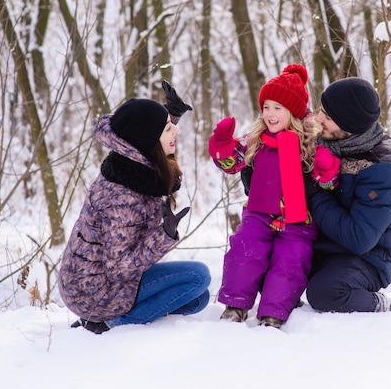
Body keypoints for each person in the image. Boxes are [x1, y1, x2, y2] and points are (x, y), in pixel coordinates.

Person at [58, 82, 211, 334]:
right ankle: (109, 323)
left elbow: (146, 134)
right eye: (169, 129)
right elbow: (119, 269)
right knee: (198, 276)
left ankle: (121, 317)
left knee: (198, 299)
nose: (176, 132)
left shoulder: (133, 164)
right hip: (93, 291)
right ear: (150, 140)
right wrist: (164, 236)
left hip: (96, 281)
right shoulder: (122, 197)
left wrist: (170, 116)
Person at [208, 64, 339, 329]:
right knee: (245, 250)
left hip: (298, 219)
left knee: (290, 261)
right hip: (259, 212)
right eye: (266, 107)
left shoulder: (311, 142)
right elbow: (233, 164)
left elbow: (328, 185)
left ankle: (273, 313)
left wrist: (326, 170)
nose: (270, 113)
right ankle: (235, 304)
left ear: (293, 111)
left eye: (277, 107)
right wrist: (222, 144)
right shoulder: (256, 138)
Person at [304, 77, 391, 314]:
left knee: (326, 292)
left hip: (366, 258)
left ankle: (375, 304)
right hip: (322, 246)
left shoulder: (381, 170)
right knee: (264, 262)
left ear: (349, 127)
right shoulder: (325, 142)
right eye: (321, 111)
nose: (318, 119)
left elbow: (359, 238)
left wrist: (312, 193)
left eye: (328, 117)